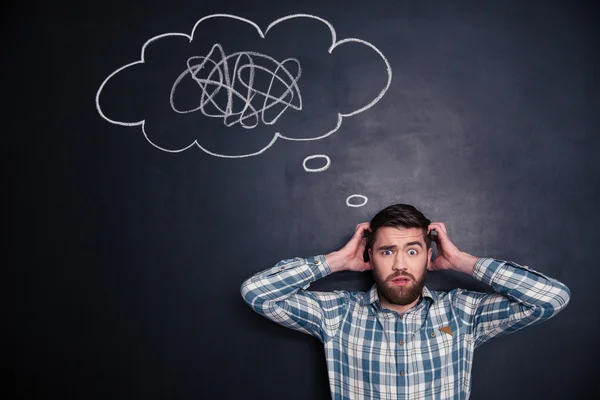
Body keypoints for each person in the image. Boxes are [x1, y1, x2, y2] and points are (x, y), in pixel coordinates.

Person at [240, 204, 571, 400]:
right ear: (369, 257)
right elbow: (257, 293)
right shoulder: (336, 314)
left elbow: (552, 299)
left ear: (429, 257)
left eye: (412, 251)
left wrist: (462, 261)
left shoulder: (463, 313)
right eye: (387, 251)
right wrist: (337, 261)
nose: (400, 265)